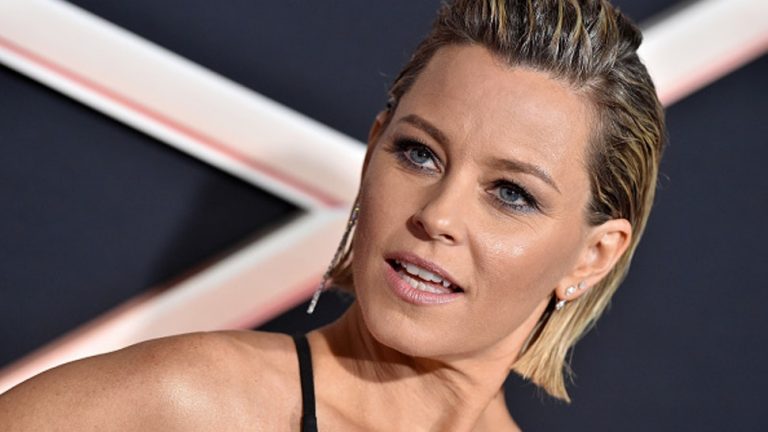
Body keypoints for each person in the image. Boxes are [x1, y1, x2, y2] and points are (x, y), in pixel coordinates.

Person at [0, 0, 665, 430]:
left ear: (592, 255)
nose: (438, 215)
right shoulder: (187, 403)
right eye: (419, 154)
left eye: (511, 193)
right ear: (374, 149)